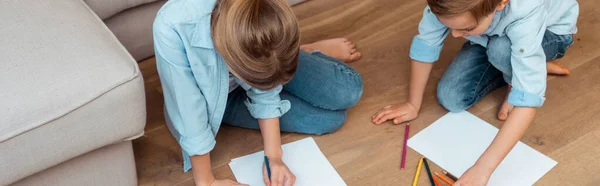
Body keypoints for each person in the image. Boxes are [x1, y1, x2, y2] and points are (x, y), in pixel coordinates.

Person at [153, 0, 363, 185]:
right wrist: (206, 181)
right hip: (217, 100)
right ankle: (281, 63)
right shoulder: (172, 25)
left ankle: (288, 57)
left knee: (349, 90)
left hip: (268, 54)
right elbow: (190, 114)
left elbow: (266, 91)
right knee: (330, 120)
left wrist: (274, 156)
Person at [372, 0, 578, 185]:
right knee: (451, 97)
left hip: (549, 34)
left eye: (465, 28)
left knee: (501, 51)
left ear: (501, 3)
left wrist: (482, 169)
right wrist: (412, 104)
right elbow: (427, 42)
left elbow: (527, 104)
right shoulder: (447, 3)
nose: (453, 35)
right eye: (448, 26)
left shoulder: (526, 9)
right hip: (491, 36)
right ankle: (527, 68)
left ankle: (525, 72)